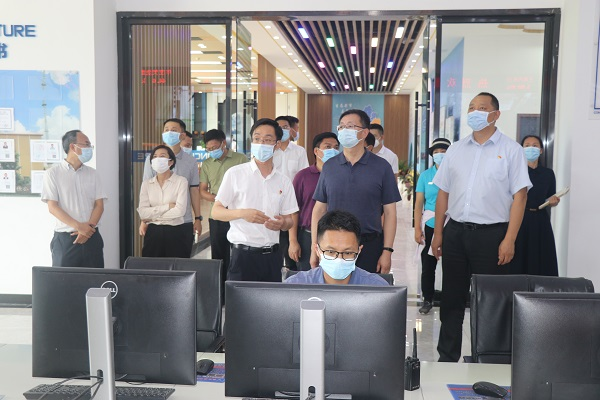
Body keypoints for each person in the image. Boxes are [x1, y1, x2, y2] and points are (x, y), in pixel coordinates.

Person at [430, 92, 532, 362]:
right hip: (455, 233)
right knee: (451, 298)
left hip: (492, 235)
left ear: (495, 114)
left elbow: (520, 197)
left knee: (489, 301)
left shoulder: (511, 150)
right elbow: (443, 193)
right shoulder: (456, 149)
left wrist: (509, 239)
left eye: (482, 108)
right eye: (471, 107)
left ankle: (487, 359)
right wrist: (438, 233)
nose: (475, 112)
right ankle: (447, 358)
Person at [311, 109, 401, 274]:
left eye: (350, 126)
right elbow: (319, 209)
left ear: (364, 132)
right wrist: (314, 247)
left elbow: (390, 213)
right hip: (333, 247)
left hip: (369, 245)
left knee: (367, 288)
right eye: (341, 127)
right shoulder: (329, 166)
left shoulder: (382, 167)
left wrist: (387, 251)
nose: (344, 130)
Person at [212, 118, 299, 282]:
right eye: (257, 139)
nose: (261, 143)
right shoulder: (235, 173)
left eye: (267, 140)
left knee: (271, 298)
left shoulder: (284, 181)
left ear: (277, 144)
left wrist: (282, 224)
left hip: (273, 256)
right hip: (242, 256)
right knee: (240, 299)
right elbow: (216, 211)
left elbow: (289, 220)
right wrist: (242, 213)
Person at [41, 130, 107, 268]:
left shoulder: (93, 174)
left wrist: (88, 229)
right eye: (86, 144)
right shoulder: (52, 174)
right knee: (64, 280)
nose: (90, 148)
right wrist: (79, 227)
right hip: (66, 240)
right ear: (73, 147)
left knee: (95, 279)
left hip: (92, 236)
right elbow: (53, 207)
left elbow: (99, 205)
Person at [141, 118, 202, 257]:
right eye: (166, 130)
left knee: (180, 262)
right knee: (153, 263)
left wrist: (198, 218)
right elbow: (146, 191)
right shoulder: (151, 160)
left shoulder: (190, 161)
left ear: (182, 135)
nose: (169, 133)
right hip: (156, 221)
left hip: (183, 221)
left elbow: (194, 190)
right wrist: (144, 220)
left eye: (173, 130)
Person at [199, 128, 248, 287]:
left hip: (238, 214)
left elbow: (248, 185)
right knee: (219, 255)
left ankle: (238, 286)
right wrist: (221, 200)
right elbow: (202, 191)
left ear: (223, 143)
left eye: (214, 147)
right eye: (208, 149)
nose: (212, 151)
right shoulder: (207, 164)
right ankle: (220, 288)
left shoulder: (241, 159)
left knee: (240, 252)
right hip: (217, 216)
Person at [286, 210, 389, 285]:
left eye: (347, 253)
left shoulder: (377, 288)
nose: (339, 259)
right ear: (317, 250)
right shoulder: (295, 286)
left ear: (359, 251)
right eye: (331, 251)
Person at [289, 132, 340, 271]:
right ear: (316, 151)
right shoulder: (303, 176)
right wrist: (293, 241)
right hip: (307, 235)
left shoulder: (342, 175)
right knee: (309, 277)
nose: (333, 151)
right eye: (328, 147)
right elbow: (293, 210)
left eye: (336, 147)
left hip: (336, 236)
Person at [512, 135, 560, 276]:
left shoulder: (548, 174)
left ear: (541, 150)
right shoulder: (516, 172)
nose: (531, 148)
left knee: (542, 258)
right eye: (527, 146)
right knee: (519, 258)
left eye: (535, 145)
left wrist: (553, 201)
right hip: (519, 218)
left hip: (540, 220)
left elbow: (550, 196)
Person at [414, 137, 451, 315]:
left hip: (451, 224)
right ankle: (427, 299)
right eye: (436, 152)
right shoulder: (425, 176)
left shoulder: (455, 174)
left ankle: (450, 300)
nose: (440, 155)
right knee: (428, 265)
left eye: (443, 151)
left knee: (452, 265)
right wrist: (417, 228)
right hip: (429, 224)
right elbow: (418, 203)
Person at [137, 145, 189, 257]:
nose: (158, 159)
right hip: (153, 233)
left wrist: (152, 216)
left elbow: (180, 211)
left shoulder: (181, 181)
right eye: (155, 157)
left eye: (162, 156)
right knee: (152, 265)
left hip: (175, 232)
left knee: (176, 265)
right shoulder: (146, 184)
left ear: (171, 161)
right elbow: (143, 213)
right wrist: (167, 207)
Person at [274, 115, 309, 271]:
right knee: (276, 245)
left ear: (291, 130)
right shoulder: (270, 151)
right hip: (274, 204)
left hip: (294, 204)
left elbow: (304, 177)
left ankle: (292, 272)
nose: (282, 130)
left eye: (285, 127)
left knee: (292, 247)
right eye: (279, 127)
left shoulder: (299, 151)